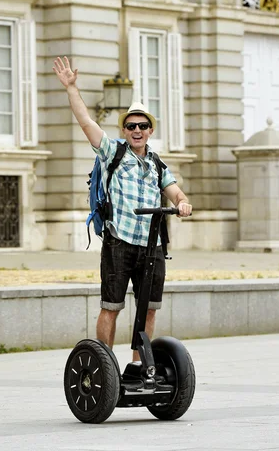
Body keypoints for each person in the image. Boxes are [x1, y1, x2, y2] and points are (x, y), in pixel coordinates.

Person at [53, 55, 192, 359]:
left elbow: (175, 192)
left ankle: (139, 365)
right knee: (111, 307)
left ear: (150, 130)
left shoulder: (157, 164)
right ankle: (105, 364)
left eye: (143, 125)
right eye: (131, 126)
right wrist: (71, 88)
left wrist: (182, 204)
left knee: (149, 309)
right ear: (125, 130)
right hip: (120, 242)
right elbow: (86, 122)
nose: (137, 130)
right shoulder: (112, 151)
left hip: (152, 246)